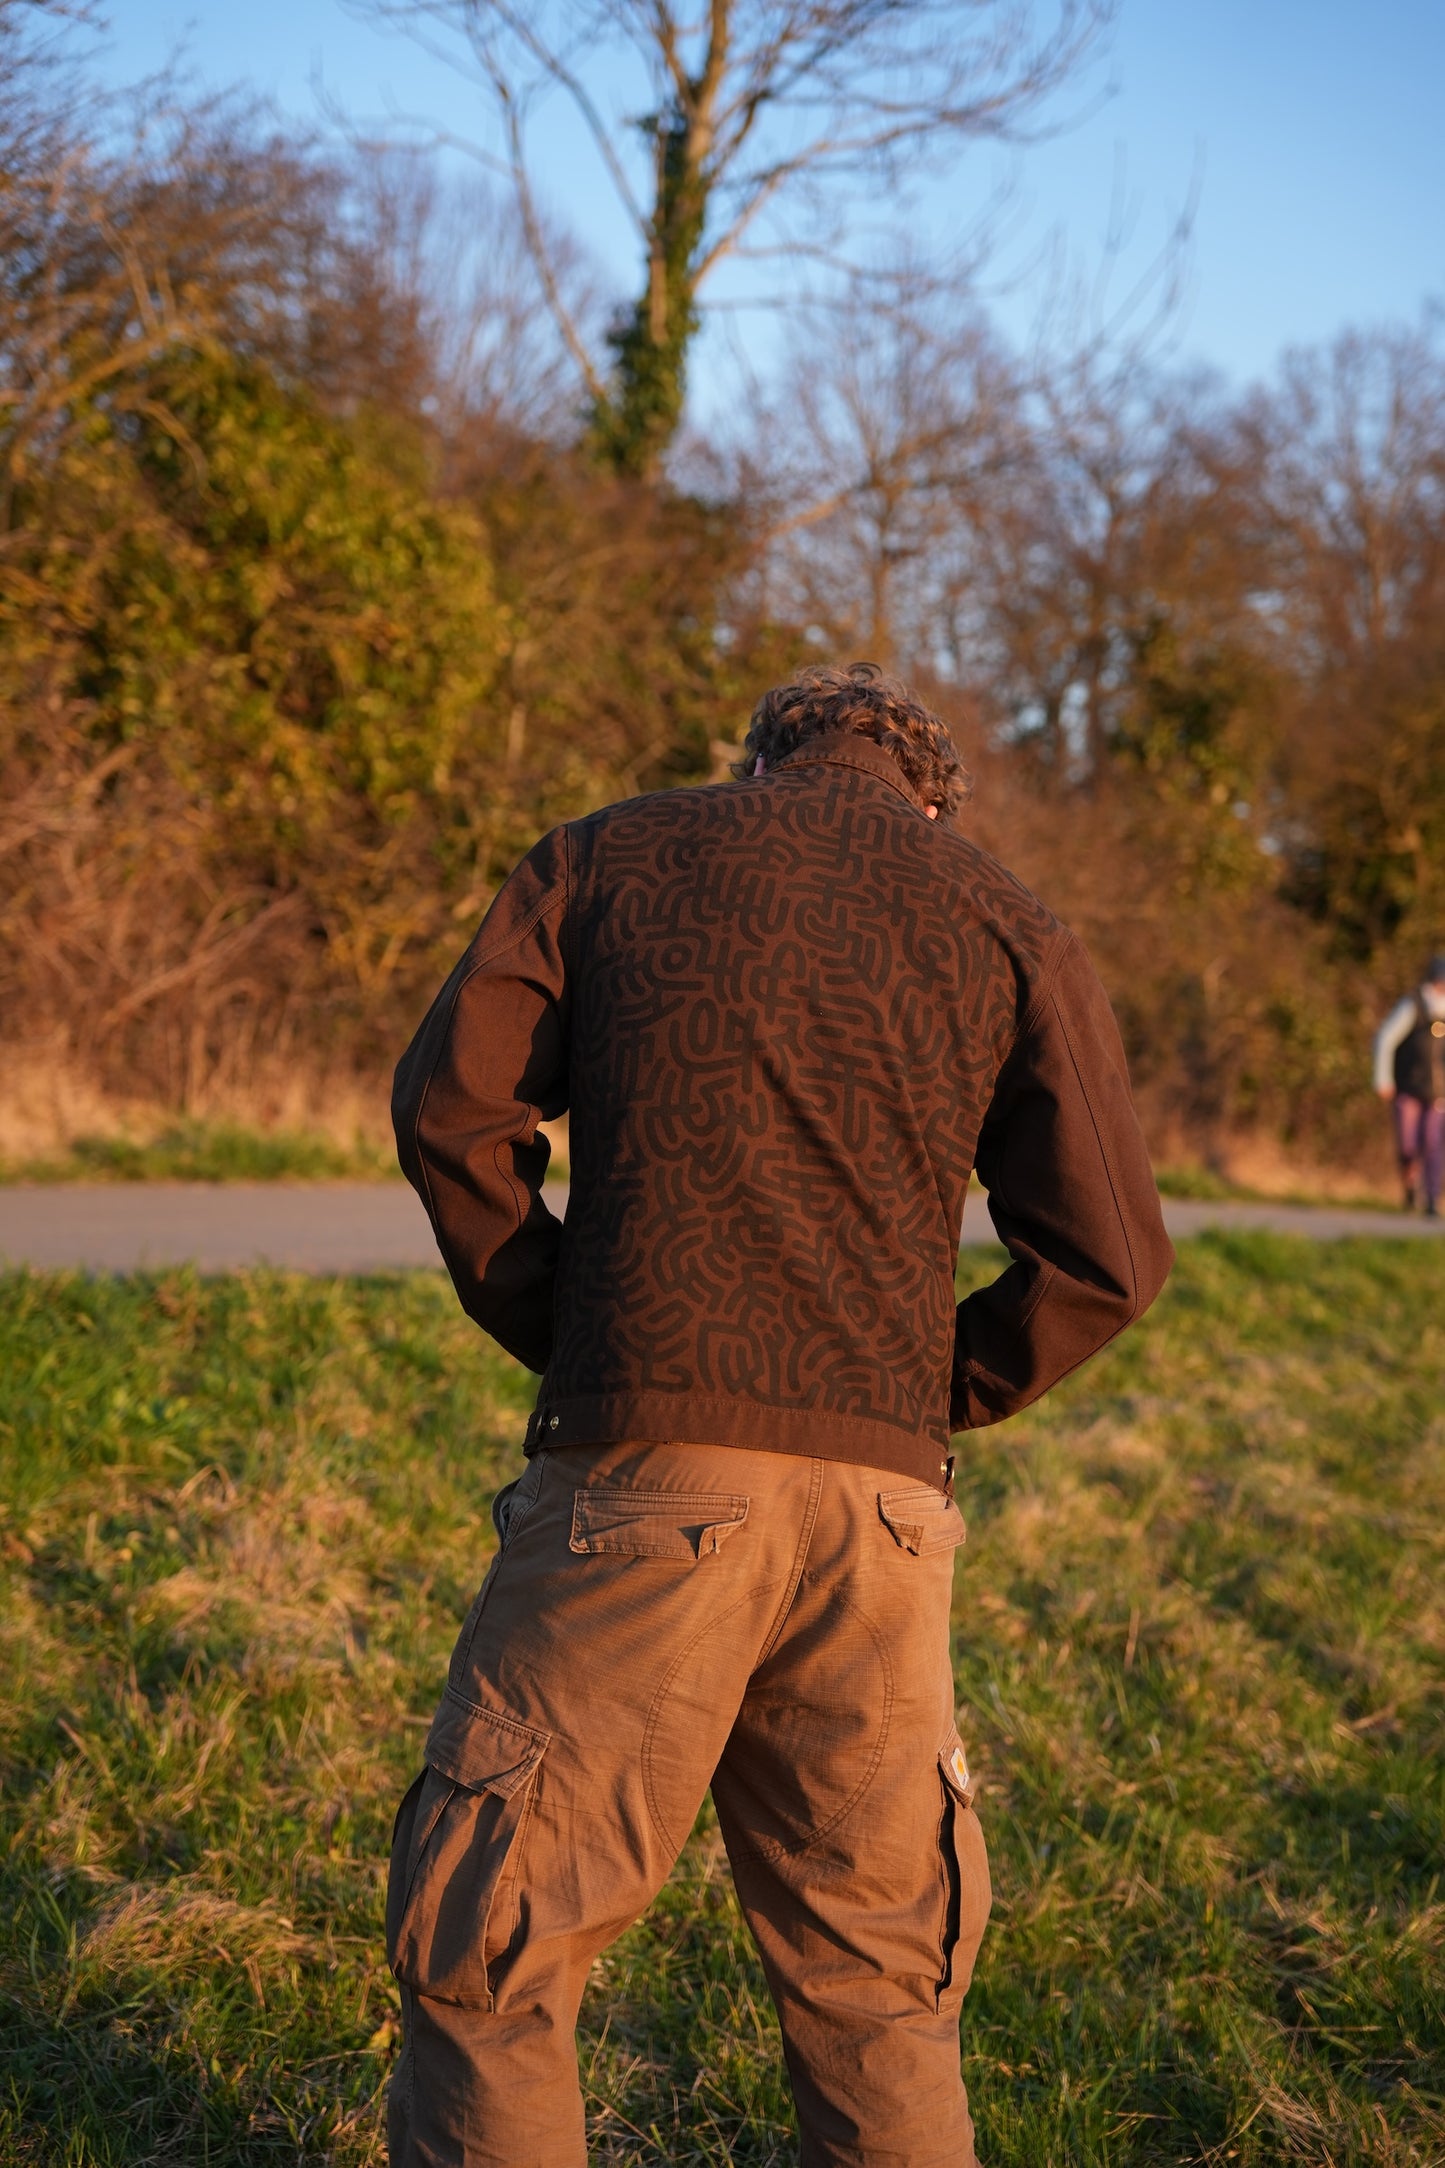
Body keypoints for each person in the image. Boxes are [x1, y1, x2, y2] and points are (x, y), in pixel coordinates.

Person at [386, 663, 1174, 2168]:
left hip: (639, 1479)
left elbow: (454, 1113)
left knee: (496, 1951)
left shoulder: (607, 855)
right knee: (879, 1986)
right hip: (882, 1515)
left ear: (756, 767)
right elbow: (1111, 1254)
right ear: (930, 796)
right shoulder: (1007, 919)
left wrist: (579, 1335)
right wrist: (928, 1392)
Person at [1373, 953, 1445, 1217]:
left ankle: (1432, 1200)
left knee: (1433, 1142)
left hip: (1439, 1091)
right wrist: (1383, 1078)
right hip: (1408, 1085)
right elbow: (1385, 1039)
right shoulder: (1412, 1005)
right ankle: (1410, 1186)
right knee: (1407, 1144)